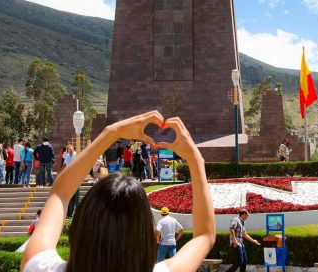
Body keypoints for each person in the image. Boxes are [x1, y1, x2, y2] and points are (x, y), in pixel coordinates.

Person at [21, 111, 215, 272]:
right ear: (145, 236)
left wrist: (111, 132)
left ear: (80, 227)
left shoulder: (39, 267)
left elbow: (60, 193)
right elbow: (204, 236)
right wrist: (196, 160)